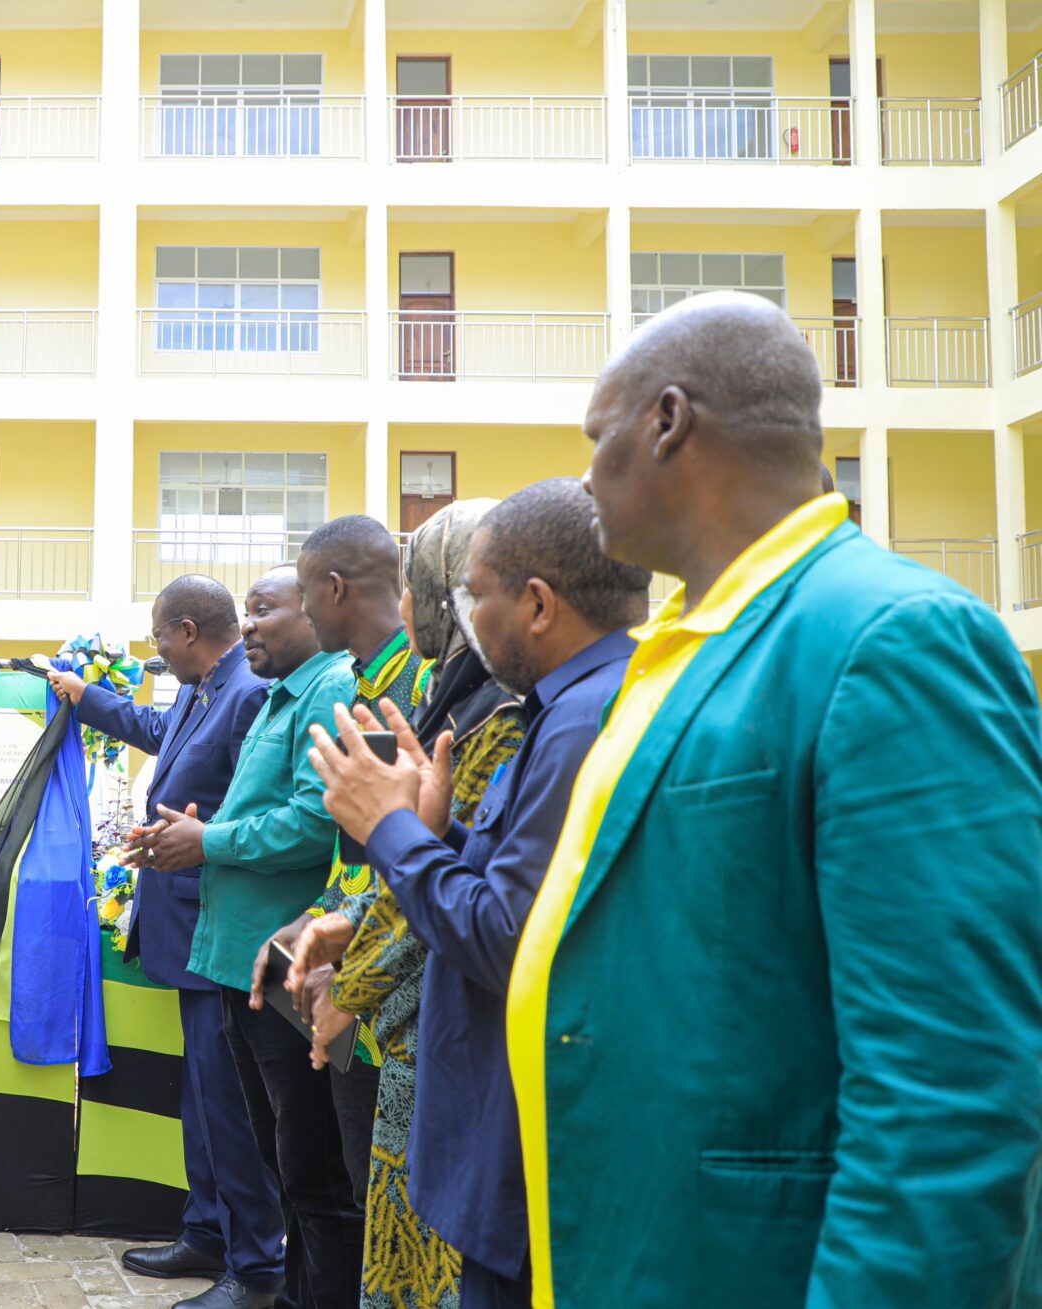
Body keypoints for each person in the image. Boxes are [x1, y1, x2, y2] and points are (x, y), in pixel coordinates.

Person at [510, 292, 1042, 1307]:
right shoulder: (685, 645)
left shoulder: (891, 637)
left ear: (668, 421)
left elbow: (951, 1095)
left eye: (597, 436)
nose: (585, 474)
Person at [292, 480, 651, 1309]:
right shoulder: (563, 707)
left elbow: (504, 935)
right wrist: (436, 829)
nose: (463, 616)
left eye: (473, 595)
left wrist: (391, 830)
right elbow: (523, 890)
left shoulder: (573, 723)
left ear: (535, 603)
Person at [279, 510, 518, 1309]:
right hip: (409, 1017)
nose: (411, 606)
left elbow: (445, 878)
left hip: (433, 1024)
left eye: (431, 590)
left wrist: (348, 989)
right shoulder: (457, 695)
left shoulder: (484, 714)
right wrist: (337, 923)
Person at [50, 575, 285, 1309]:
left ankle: (256, 1268)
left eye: (158, 637)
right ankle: (207, 1230)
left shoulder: (247, 692)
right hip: (184, 927)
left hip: (219, 924)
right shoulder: (201, 685)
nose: (156, 650)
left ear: (187, 631)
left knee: (229, 1103)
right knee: (202, 1095)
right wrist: (82, 694)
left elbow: (260, 812)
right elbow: (158, 731)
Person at [132, 566, 361, 1309]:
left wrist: (209, 838)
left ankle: (261, 1273)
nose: (249, 623)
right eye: (247, 610)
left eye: (264, 609)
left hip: (279, 955)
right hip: (232, 945)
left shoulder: (320, 689)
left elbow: (313, 820)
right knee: (261, 1140)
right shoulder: (278, 690)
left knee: (300, 1159)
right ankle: (264, 1272)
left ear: (322, 604)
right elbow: (239, 804)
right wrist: (187, 832)